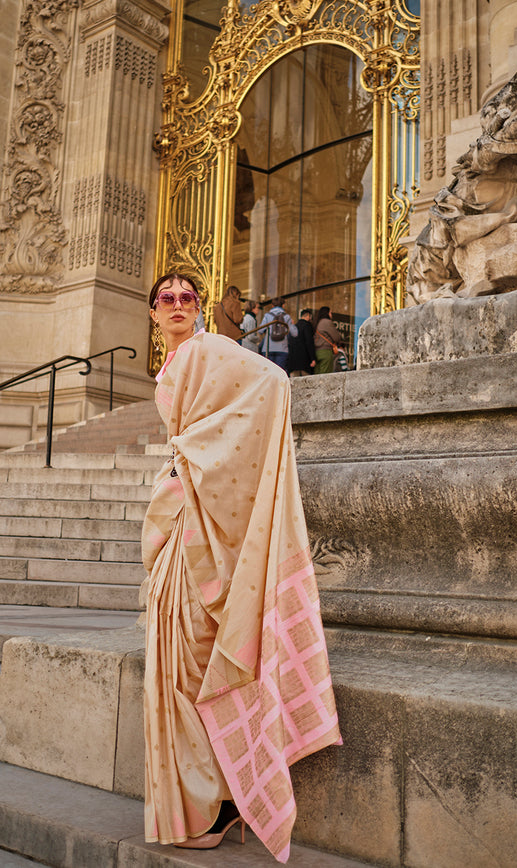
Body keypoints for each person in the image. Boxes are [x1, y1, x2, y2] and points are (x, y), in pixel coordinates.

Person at [143, 272, 342, 863]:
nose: (178, 305)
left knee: (194, 664)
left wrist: (193, 455)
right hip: (183, 524)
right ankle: (203, 801)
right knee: (175, 666)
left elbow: (274, 382)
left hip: (200, 523)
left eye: (188, 297)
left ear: (200, 308)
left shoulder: (208, 349)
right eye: (167, 299)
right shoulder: (177, 362)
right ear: (153, 313)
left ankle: (220, 802)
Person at [258, 297, 297, 371]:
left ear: (272, 305)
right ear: (283, 305)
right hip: (282, 349)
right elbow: (295, 334)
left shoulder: (267, 315)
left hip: (268, 348)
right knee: (280, 372)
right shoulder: (286, 316)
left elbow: (260, 330)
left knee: (268, 372)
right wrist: (292, 324)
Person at [313, 306, 342, 374]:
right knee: (325, 376)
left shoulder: (316, 322)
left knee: (317, 375)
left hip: (316, 352)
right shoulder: (327, 322)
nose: (331, 315)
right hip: (326, 352)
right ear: (327, 313)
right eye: (330, 313)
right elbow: (337, 337)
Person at [287, 308, 316, 377]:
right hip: (304, 361)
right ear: (308, 316)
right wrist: (313, 358)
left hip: (293, 362)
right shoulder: (307, 326)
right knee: (306, 383)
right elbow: (309, 342)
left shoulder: (295, 326)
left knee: (294, 383)